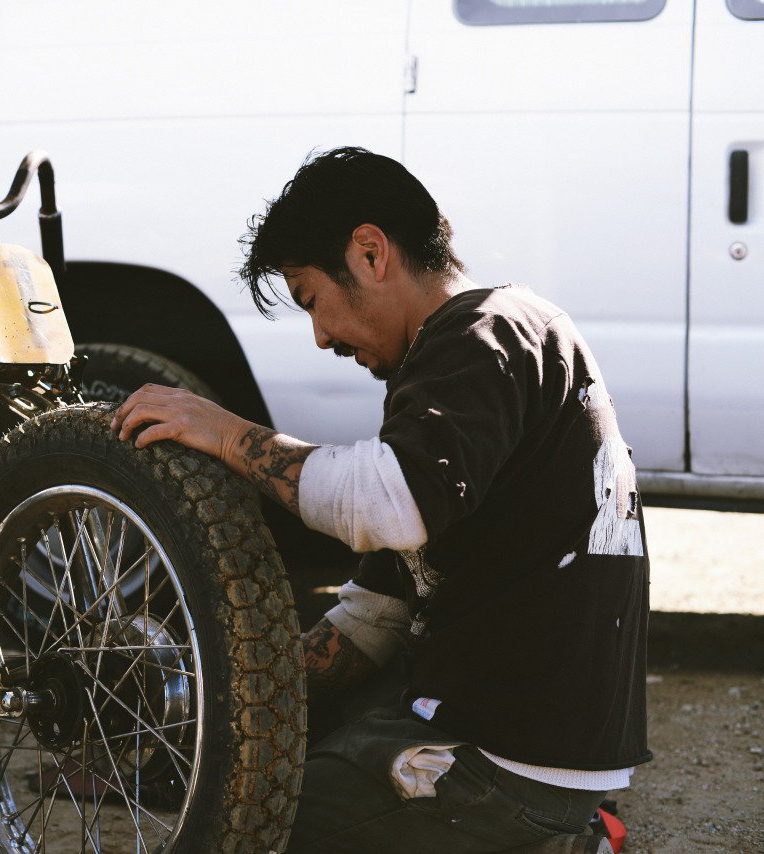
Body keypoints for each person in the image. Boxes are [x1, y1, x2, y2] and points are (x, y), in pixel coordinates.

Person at [111, 147, 649, 853]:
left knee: (245, 829)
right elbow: (374, 615)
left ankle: (554, 842)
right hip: (528, 742)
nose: (322, 336)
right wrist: (216, 707)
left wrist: (229, 434)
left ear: (369, 252)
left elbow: (384, 504)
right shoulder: (484, 351)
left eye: (312, 300)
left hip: (503, 758)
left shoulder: (481, 331)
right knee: (245, 771)